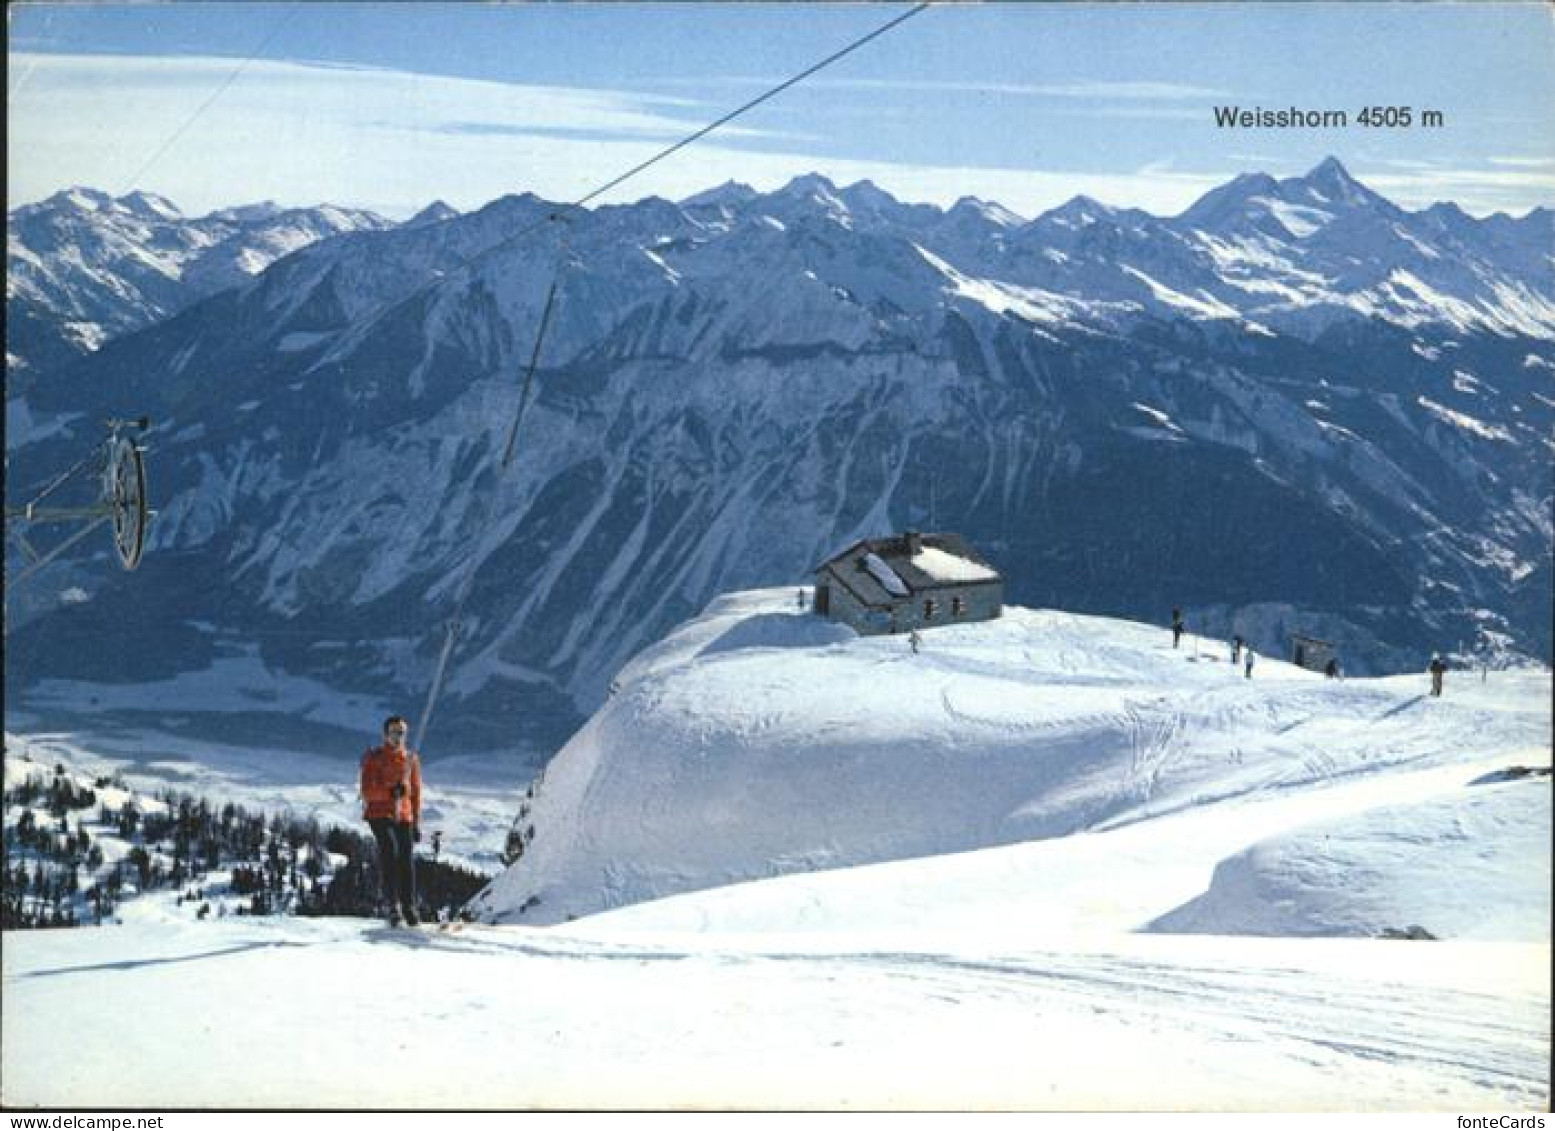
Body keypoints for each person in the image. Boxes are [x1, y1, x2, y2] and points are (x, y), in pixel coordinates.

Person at [360, 715, 423, 926]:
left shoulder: (410, 760)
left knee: (406, 856)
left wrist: (415, 822)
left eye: (402, 733)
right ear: (385, 735)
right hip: (379, 813)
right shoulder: (374, 758)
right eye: (394, 732)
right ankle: (391, 904)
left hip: (403, 814)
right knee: (390, 848)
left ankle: (408, 905)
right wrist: (389, 792)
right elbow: (367, 791)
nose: (398, 737)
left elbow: (415, 792)